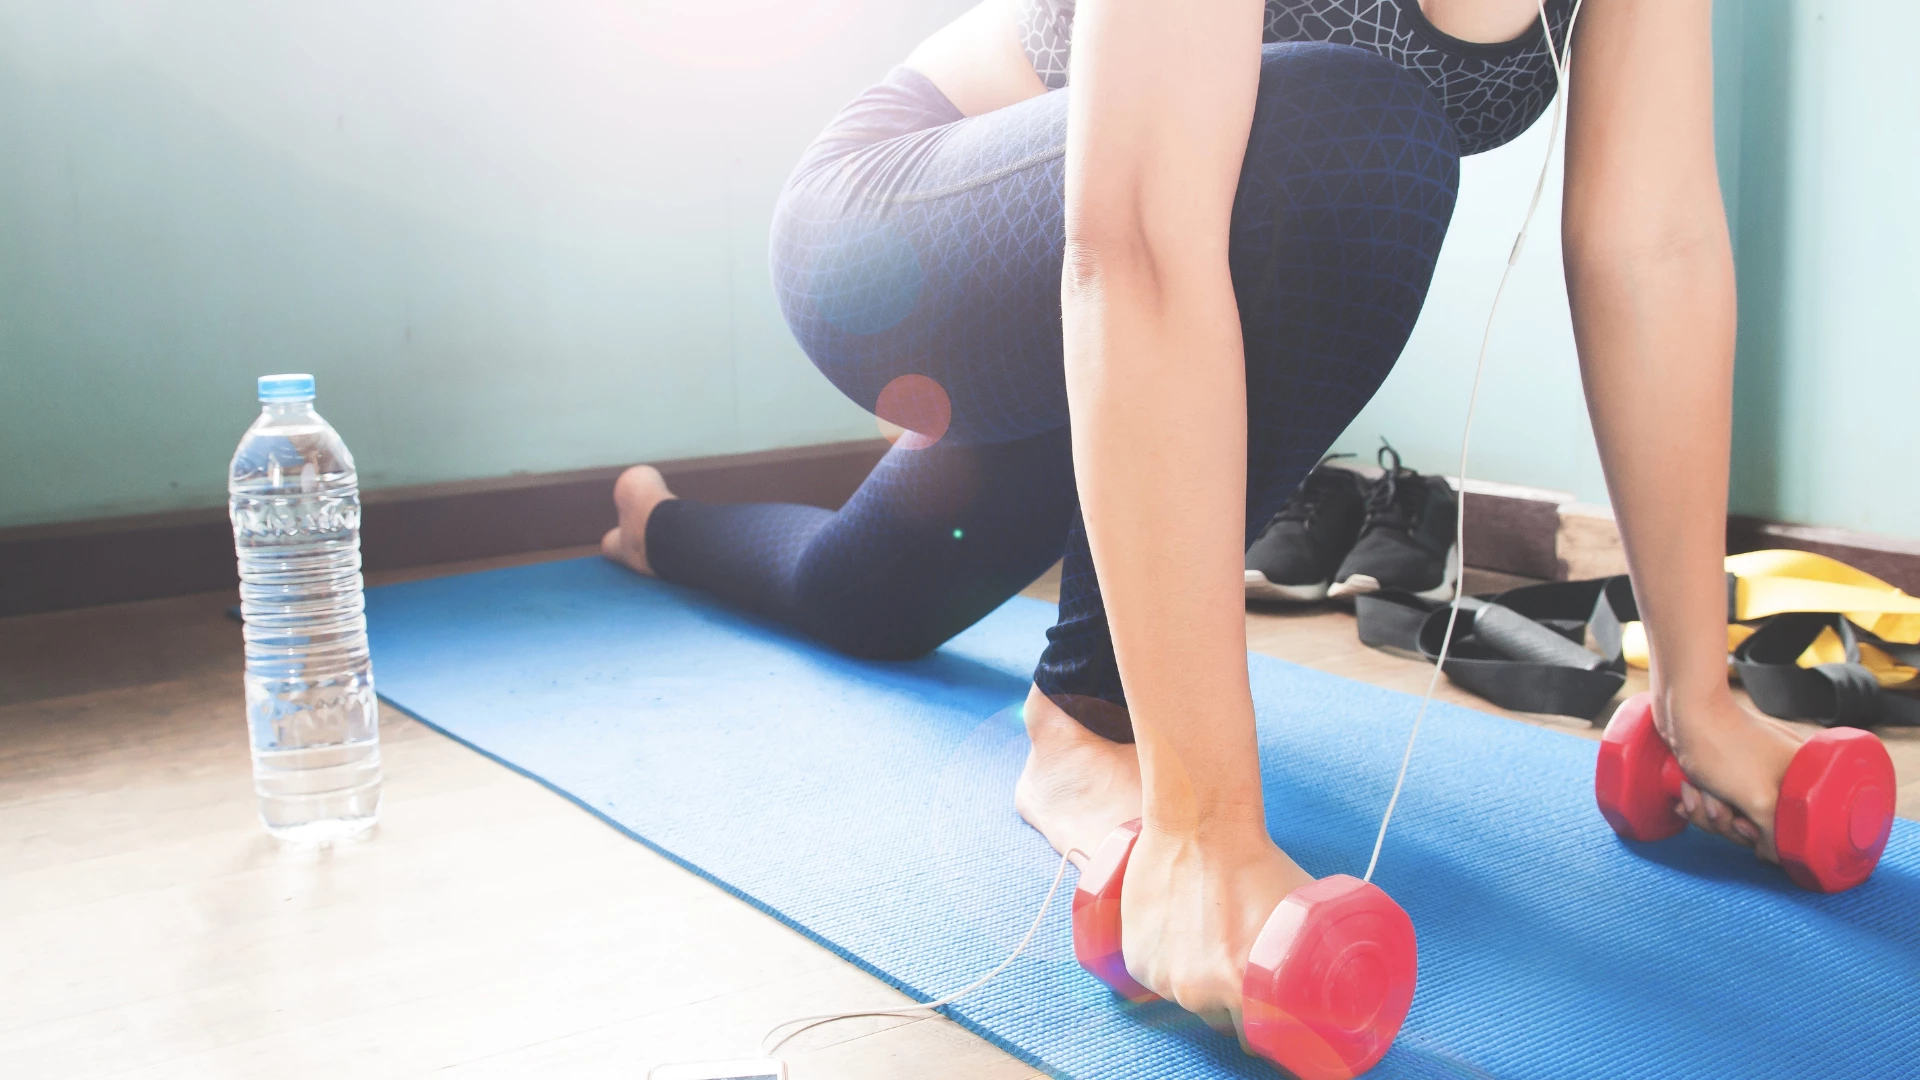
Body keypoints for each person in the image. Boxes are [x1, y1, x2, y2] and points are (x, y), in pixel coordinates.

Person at [603, 0, 1802, 1040]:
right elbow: (1136, 240)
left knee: (866, 598)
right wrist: (1200, 819)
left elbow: (1658, 246)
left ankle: (650, 525)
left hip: (1126, 281)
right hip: (910, 224)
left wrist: (1696, 693)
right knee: (1362, 138)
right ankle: (1081, 719)